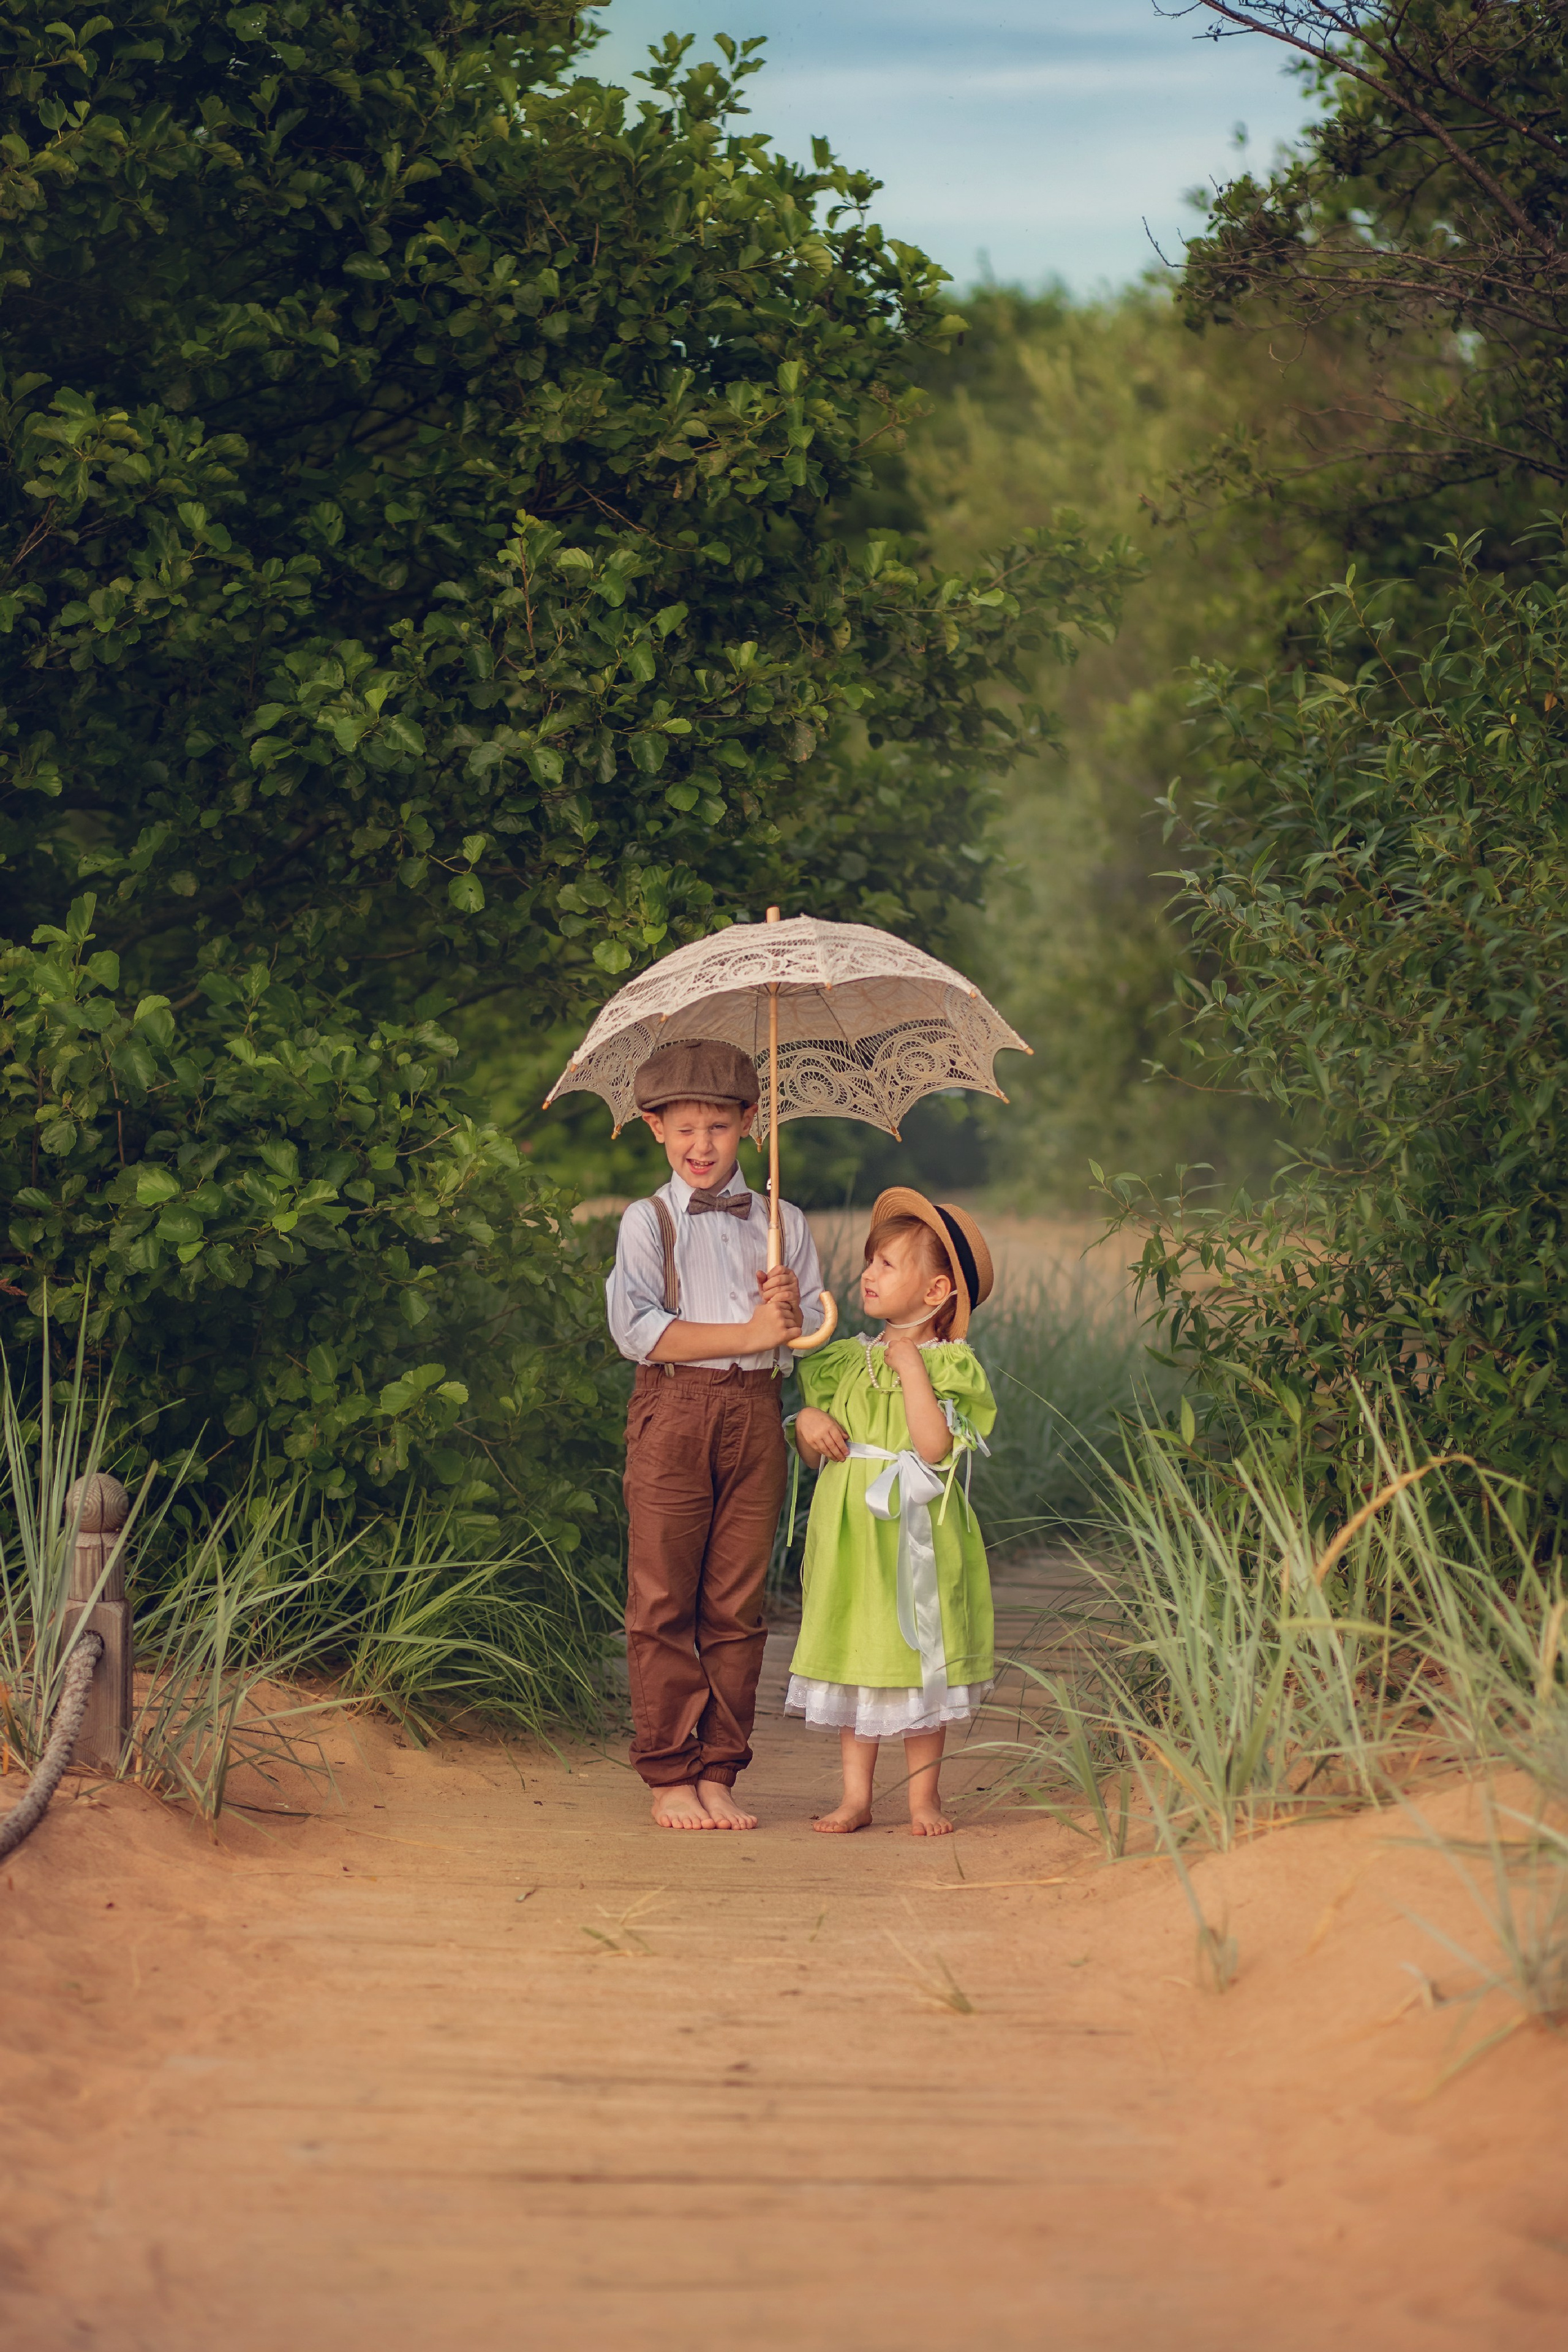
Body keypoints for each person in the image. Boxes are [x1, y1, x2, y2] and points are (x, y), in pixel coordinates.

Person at [606, 1038, 825, 1831]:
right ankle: (670, 1771)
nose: (702, 1146)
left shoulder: (783, 1223)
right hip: (674, 1412)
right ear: (656, 1128)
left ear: (751, 1123)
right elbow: (637, 1330)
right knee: (663, 1597)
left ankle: (719, 1768)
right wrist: (746, 1331)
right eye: (685, 1129)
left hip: (756, 1414)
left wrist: (789, 1310)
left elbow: (809, 1333)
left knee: (736, 1605)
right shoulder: (649, 1221)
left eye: (720, 1128)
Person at [786, 1189, 997, 1837]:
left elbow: (933, 1448)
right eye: (868, 1262)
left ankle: (923, 1798)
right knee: (861, 1652)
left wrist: (912, 1371)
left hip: (914, 1530)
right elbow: (816, 1448)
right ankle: (855, 1797)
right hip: (851, 1535)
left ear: (935, 1291)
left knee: (916, 1658)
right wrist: (808, 1420)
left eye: (885, 1265)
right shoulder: (846, 1358)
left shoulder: (947, 1364)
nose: (867, 1275)